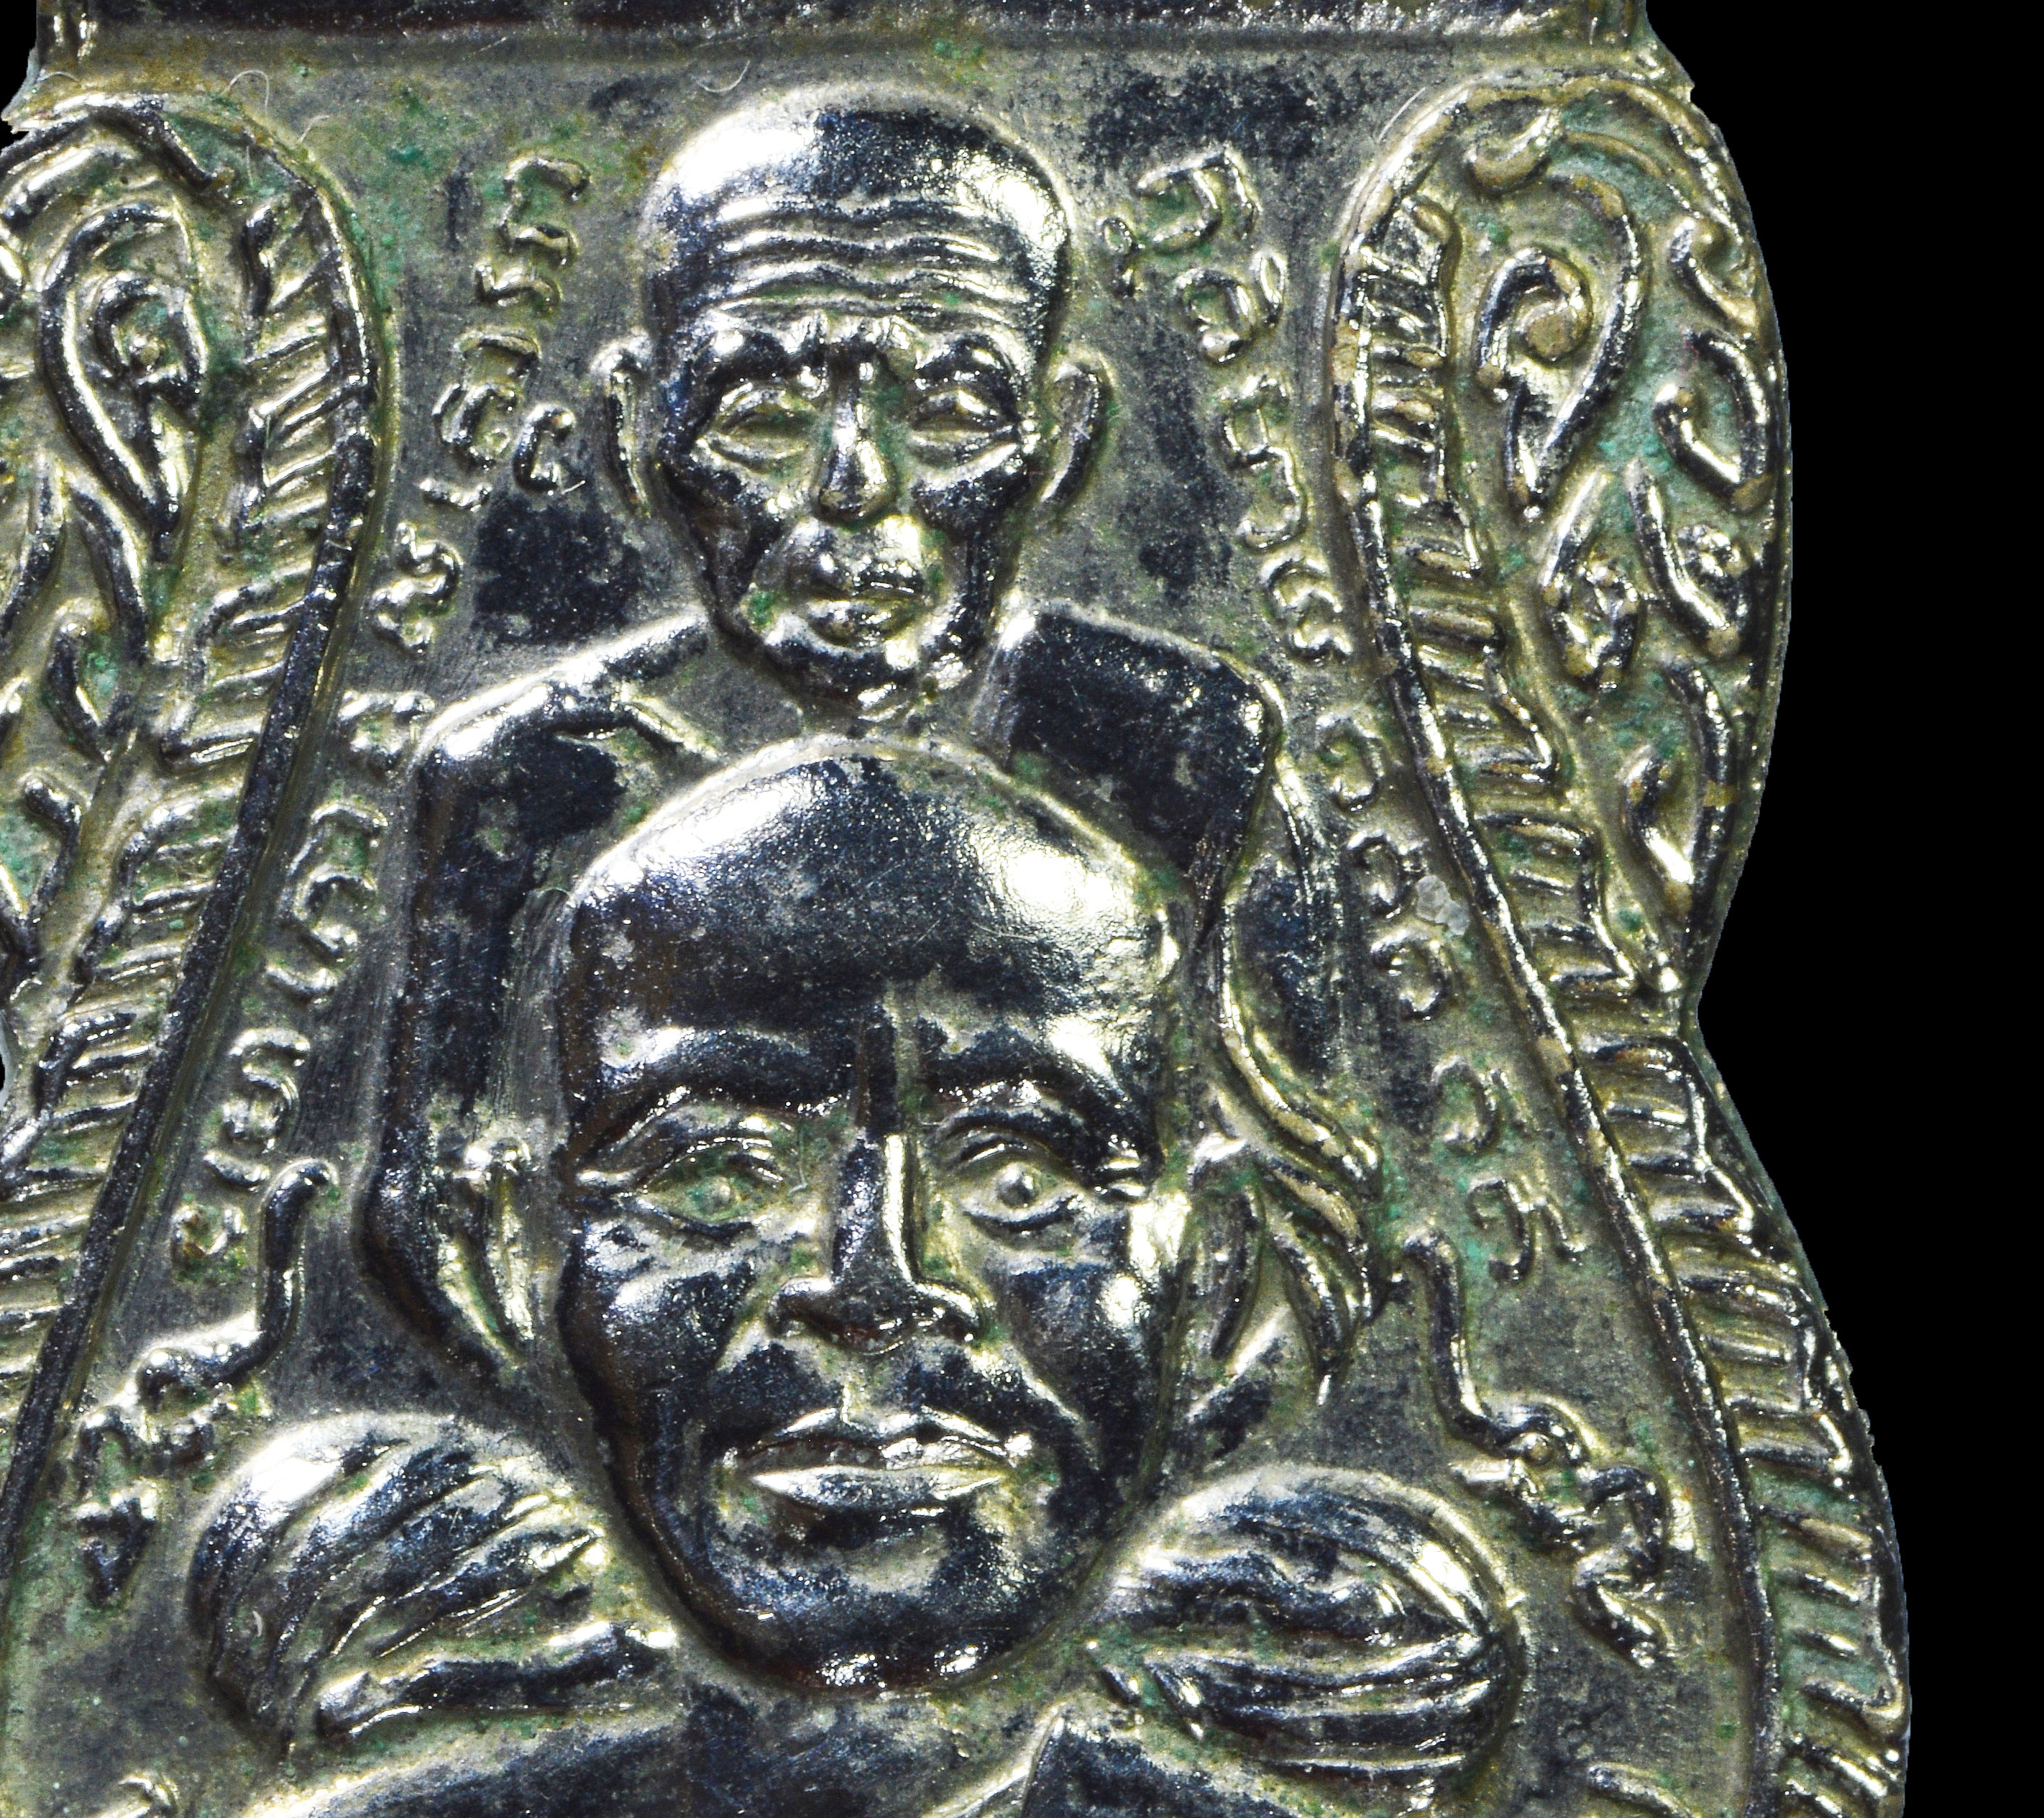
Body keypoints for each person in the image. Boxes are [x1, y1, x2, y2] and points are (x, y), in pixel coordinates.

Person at [150, 742, 1511, 1818]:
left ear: (1211, 1270)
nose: (877, 1286)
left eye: (1023, 1176)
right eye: (713, 1175)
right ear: (517, 1261)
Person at [363, 90, 1360, 1388]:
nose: (856, 483)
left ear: (1060, 443)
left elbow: (1302, 1251)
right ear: (636, 431)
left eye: (949, 415)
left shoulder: (1188, 762)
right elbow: (440, 1257)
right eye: (761, 417)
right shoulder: (526, 787)